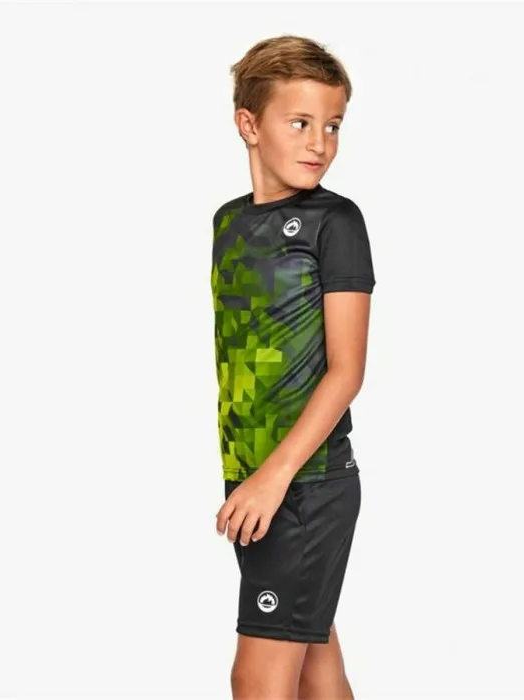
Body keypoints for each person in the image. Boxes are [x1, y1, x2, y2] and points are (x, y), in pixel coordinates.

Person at [211, 34, 376, 700]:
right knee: (313, 665)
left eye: (332, 125)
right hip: (254, 481)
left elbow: (346, 372)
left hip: (305, 484)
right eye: (300, 122)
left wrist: (273, 479)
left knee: (257, 679)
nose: (320, 143)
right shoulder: (227, 224)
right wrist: (250, 480)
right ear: (249, 125)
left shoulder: (335, 223)